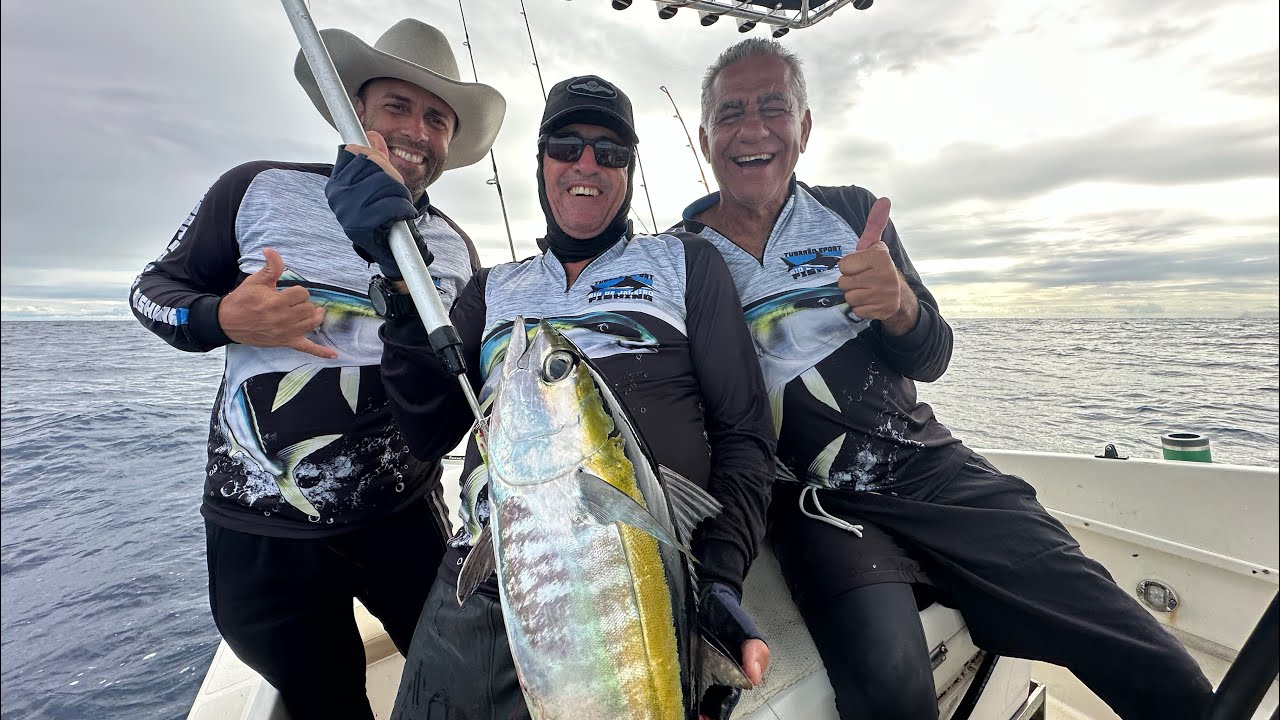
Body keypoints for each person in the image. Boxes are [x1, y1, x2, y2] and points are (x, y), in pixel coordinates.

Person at [672, 38, 1215, 720]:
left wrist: (899, 306)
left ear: (804, 128)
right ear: (704, 137)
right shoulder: (679, 260)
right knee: (892, 684)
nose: (752, 128)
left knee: (1143, 651)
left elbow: (932, 356)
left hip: (932, 471)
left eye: (773, 107)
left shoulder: (850, 212)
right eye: (730, 113)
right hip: (812, 505)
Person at [328, 74, 775, 720]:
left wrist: (722, 575)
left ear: (629, 170)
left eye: (611, 152)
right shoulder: (492, 289)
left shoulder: (687, 264)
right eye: (566, 146)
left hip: (641, 577)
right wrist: (399, 289)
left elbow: (745, 435)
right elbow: (429, 429)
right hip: (491, 573)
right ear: (539, 163)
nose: (586, 164)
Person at [128, 20, 505, 720]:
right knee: (325, 702)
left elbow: (453, 386)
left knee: (464, 686)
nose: (416, 129)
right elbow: (152, 293)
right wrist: (220, 319)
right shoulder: (255, 189)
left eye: (437, 117)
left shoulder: (454, 245)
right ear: (355, 111)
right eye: (397, 106)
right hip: (262, 539)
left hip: (405, 520)